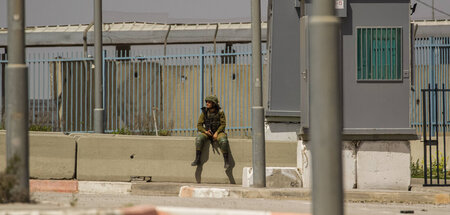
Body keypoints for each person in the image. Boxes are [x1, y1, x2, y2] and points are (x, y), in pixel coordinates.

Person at [191, 95, 230, 168]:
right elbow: (199, 125)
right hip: (208, 132)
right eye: (207, 102)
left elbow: (223, 124)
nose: (207, 103)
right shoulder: (204, 112)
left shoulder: (220, 112)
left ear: (214, 104)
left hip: (218, 132)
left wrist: (217, 132)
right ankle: (197, 159)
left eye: (209, 102)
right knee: (199, 139)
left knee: (224, 141)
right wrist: (205, 131)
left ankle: (226, 161)